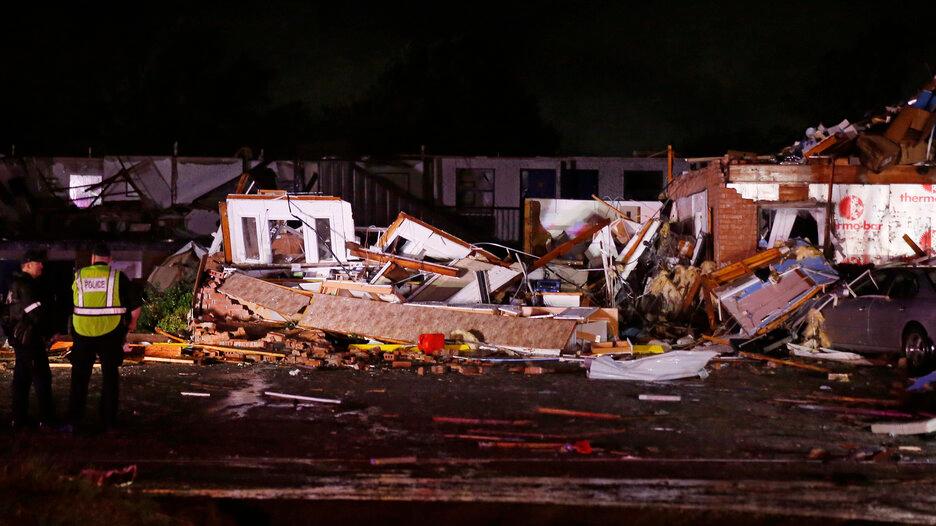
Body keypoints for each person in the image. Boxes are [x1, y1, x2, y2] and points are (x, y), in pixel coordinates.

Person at [68, 243, 141, 431]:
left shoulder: (79, 276)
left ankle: (75, 420)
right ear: (110, 260)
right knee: (110, 377)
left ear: (92, 258)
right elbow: (135, 305)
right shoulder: (118, 277)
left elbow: (70, 303)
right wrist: (131, 324)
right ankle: (108, 421)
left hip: (83, 332)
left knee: (79, 377)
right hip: (110, 333)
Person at [2, 249, 55, 430]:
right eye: (39, 262)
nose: (42, 265)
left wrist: (12, 336)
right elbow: (37, 315)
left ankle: (19, 418)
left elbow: (6, 316)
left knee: (21, 379)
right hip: (30, 340)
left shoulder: (14, 285)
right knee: (42, 378)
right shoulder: (26, 286)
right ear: (28, 264)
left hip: (20, 340)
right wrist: (48, 333)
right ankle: (47, 419)